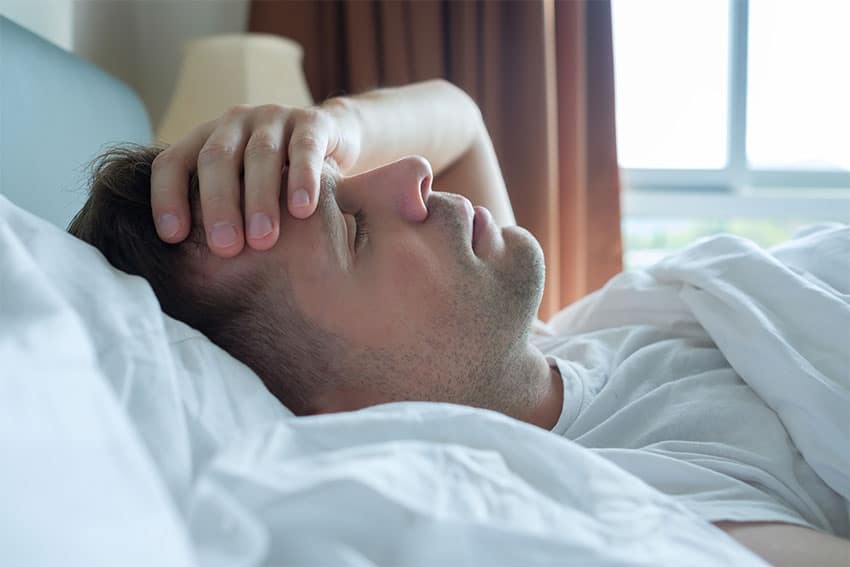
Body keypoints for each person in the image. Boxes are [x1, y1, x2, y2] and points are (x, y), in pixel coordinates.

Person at [69, 80, 849, 565]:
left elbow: (463, 121)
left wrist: (332, 128)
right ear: (336, 411)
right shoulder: (658, 501)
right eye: (355, 230)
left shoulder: (554, 344)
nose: (412, 174)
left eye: (344, 179)